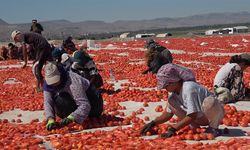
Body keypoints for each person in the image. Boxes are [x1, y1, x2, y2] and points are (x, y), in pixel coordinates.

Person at [140, 64, 224, 137]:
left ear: (174, 82)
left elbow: (193, 115)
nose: (164, 88)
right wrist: (153, 123)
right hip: (199, 116)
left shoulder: (189, 88)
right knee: (171, 101)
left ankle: (213, 127)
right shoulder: (174, 94)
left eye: (166, 85)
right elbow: (168, 114)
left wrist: (173, 129)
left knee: (210, 101)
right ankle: (195, 127)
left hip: (211, 114)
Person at [43, 62, 103, 131]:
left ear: (60, 74)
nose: (54, 84)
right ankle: (75, 116)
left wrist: (72, 117)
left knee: (61, 98)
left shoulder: (72, 81)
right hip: (75, 103)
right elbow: (48, 102)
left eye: (56, 80)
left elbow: (85, 104)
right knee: (59, 100)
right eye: (51, 82)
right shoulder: (47, 84)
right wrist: (50, 118)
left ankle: (79, 116)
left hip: (93, 102)